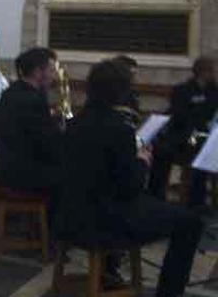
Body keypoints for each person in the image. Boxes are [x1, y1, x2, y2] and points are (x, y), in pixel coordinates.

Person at [58, 60, 203, 297]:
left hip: (70, 213)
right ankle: (169, 293)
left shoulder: (75, 123)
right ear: (121, 92)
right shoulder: (119, 128)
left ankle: (110, 272)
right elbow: (130, 187)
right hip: (105, 222)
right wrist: (142, 162)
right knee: (190, 222)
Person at [148, 56, 218, 208]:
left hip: (206, 135)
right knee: (163, 150)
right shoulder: (183, 90)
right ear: (204, 73)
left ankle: (197, 201)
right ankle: (156, 196)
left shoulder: (214, 91)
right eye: (214, 71)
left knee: (199, 149)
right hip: (185, 134)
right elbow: (179, 116)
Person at [0, 47, 62, 194]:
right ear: (38, 72)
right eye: (51, 70)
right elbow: (48, 145)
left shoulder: (10, 93)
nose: (54, 76)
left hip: (5, 170)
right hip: (23, 177)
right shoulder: (33, 100)